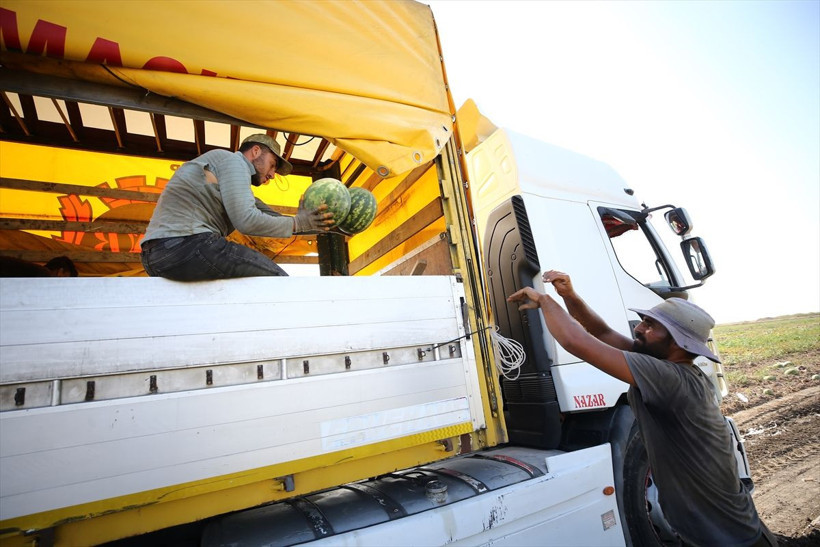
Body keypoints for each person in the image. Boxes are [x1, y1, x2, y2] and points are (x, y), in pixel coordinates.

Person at [507, 270, 777, 547]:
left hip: (731, 539)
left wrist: (544, 300)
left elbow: (576, 342)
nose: (638, 328)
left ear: (677, 343)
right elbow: (601, 332)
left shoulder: (669, 378)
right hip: (719, 531)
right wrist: (569, 296)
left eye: (651, 325)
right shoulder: (665, 365)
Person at [141, 134, 334, 281]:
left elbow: (272, 217)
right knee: (278, 281)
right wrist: (297, 223)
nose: (272, 175)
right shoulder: (233, 161)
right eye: (272, 165)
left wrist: (318, 224)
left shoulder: (229, 177)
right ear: (256, 151)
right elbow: (246, 220)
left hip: (159, 254)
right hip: (184, 244)